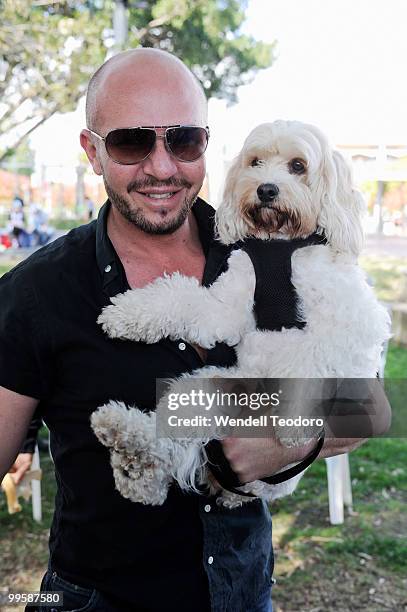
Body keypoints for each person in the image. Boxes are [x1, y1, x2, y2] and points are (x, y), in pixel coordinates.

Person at [0, 49, 390, 612]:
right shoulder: (35, 293)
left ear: (205, 144)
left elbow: (372, 407)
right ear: (92, 151)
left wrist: (292, 435)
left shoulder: (259, 251)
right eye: (132, 142)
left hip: (244, 592)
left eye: (182, 140)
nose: (162, 167)